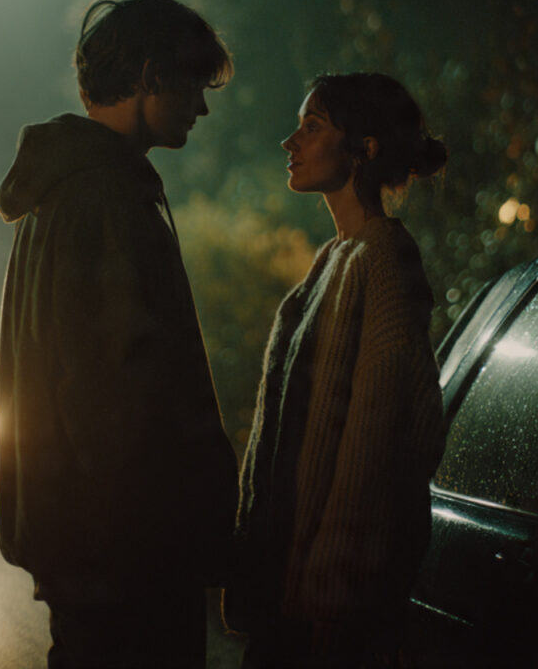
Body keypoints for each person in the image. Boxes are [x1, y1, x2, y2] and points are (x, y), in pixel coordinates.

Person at [0, 0, 239, 669]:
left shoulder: (63, 190)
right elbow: (113, 394)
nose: (201, 107)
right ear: (152, 77)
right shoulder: (104, 197)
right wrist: (169, 531)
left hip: (91, 550)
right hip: (126, 555)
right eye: (193, 84)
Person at [224, 72, 448, 669]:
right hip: (288, 582)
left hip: (328, 606)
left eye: (312, 126)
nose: (290, 142)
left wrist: (337, 591)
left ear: (363, 149)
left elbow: (381, 438)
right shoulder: (335, 256)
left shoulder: (384, 259)